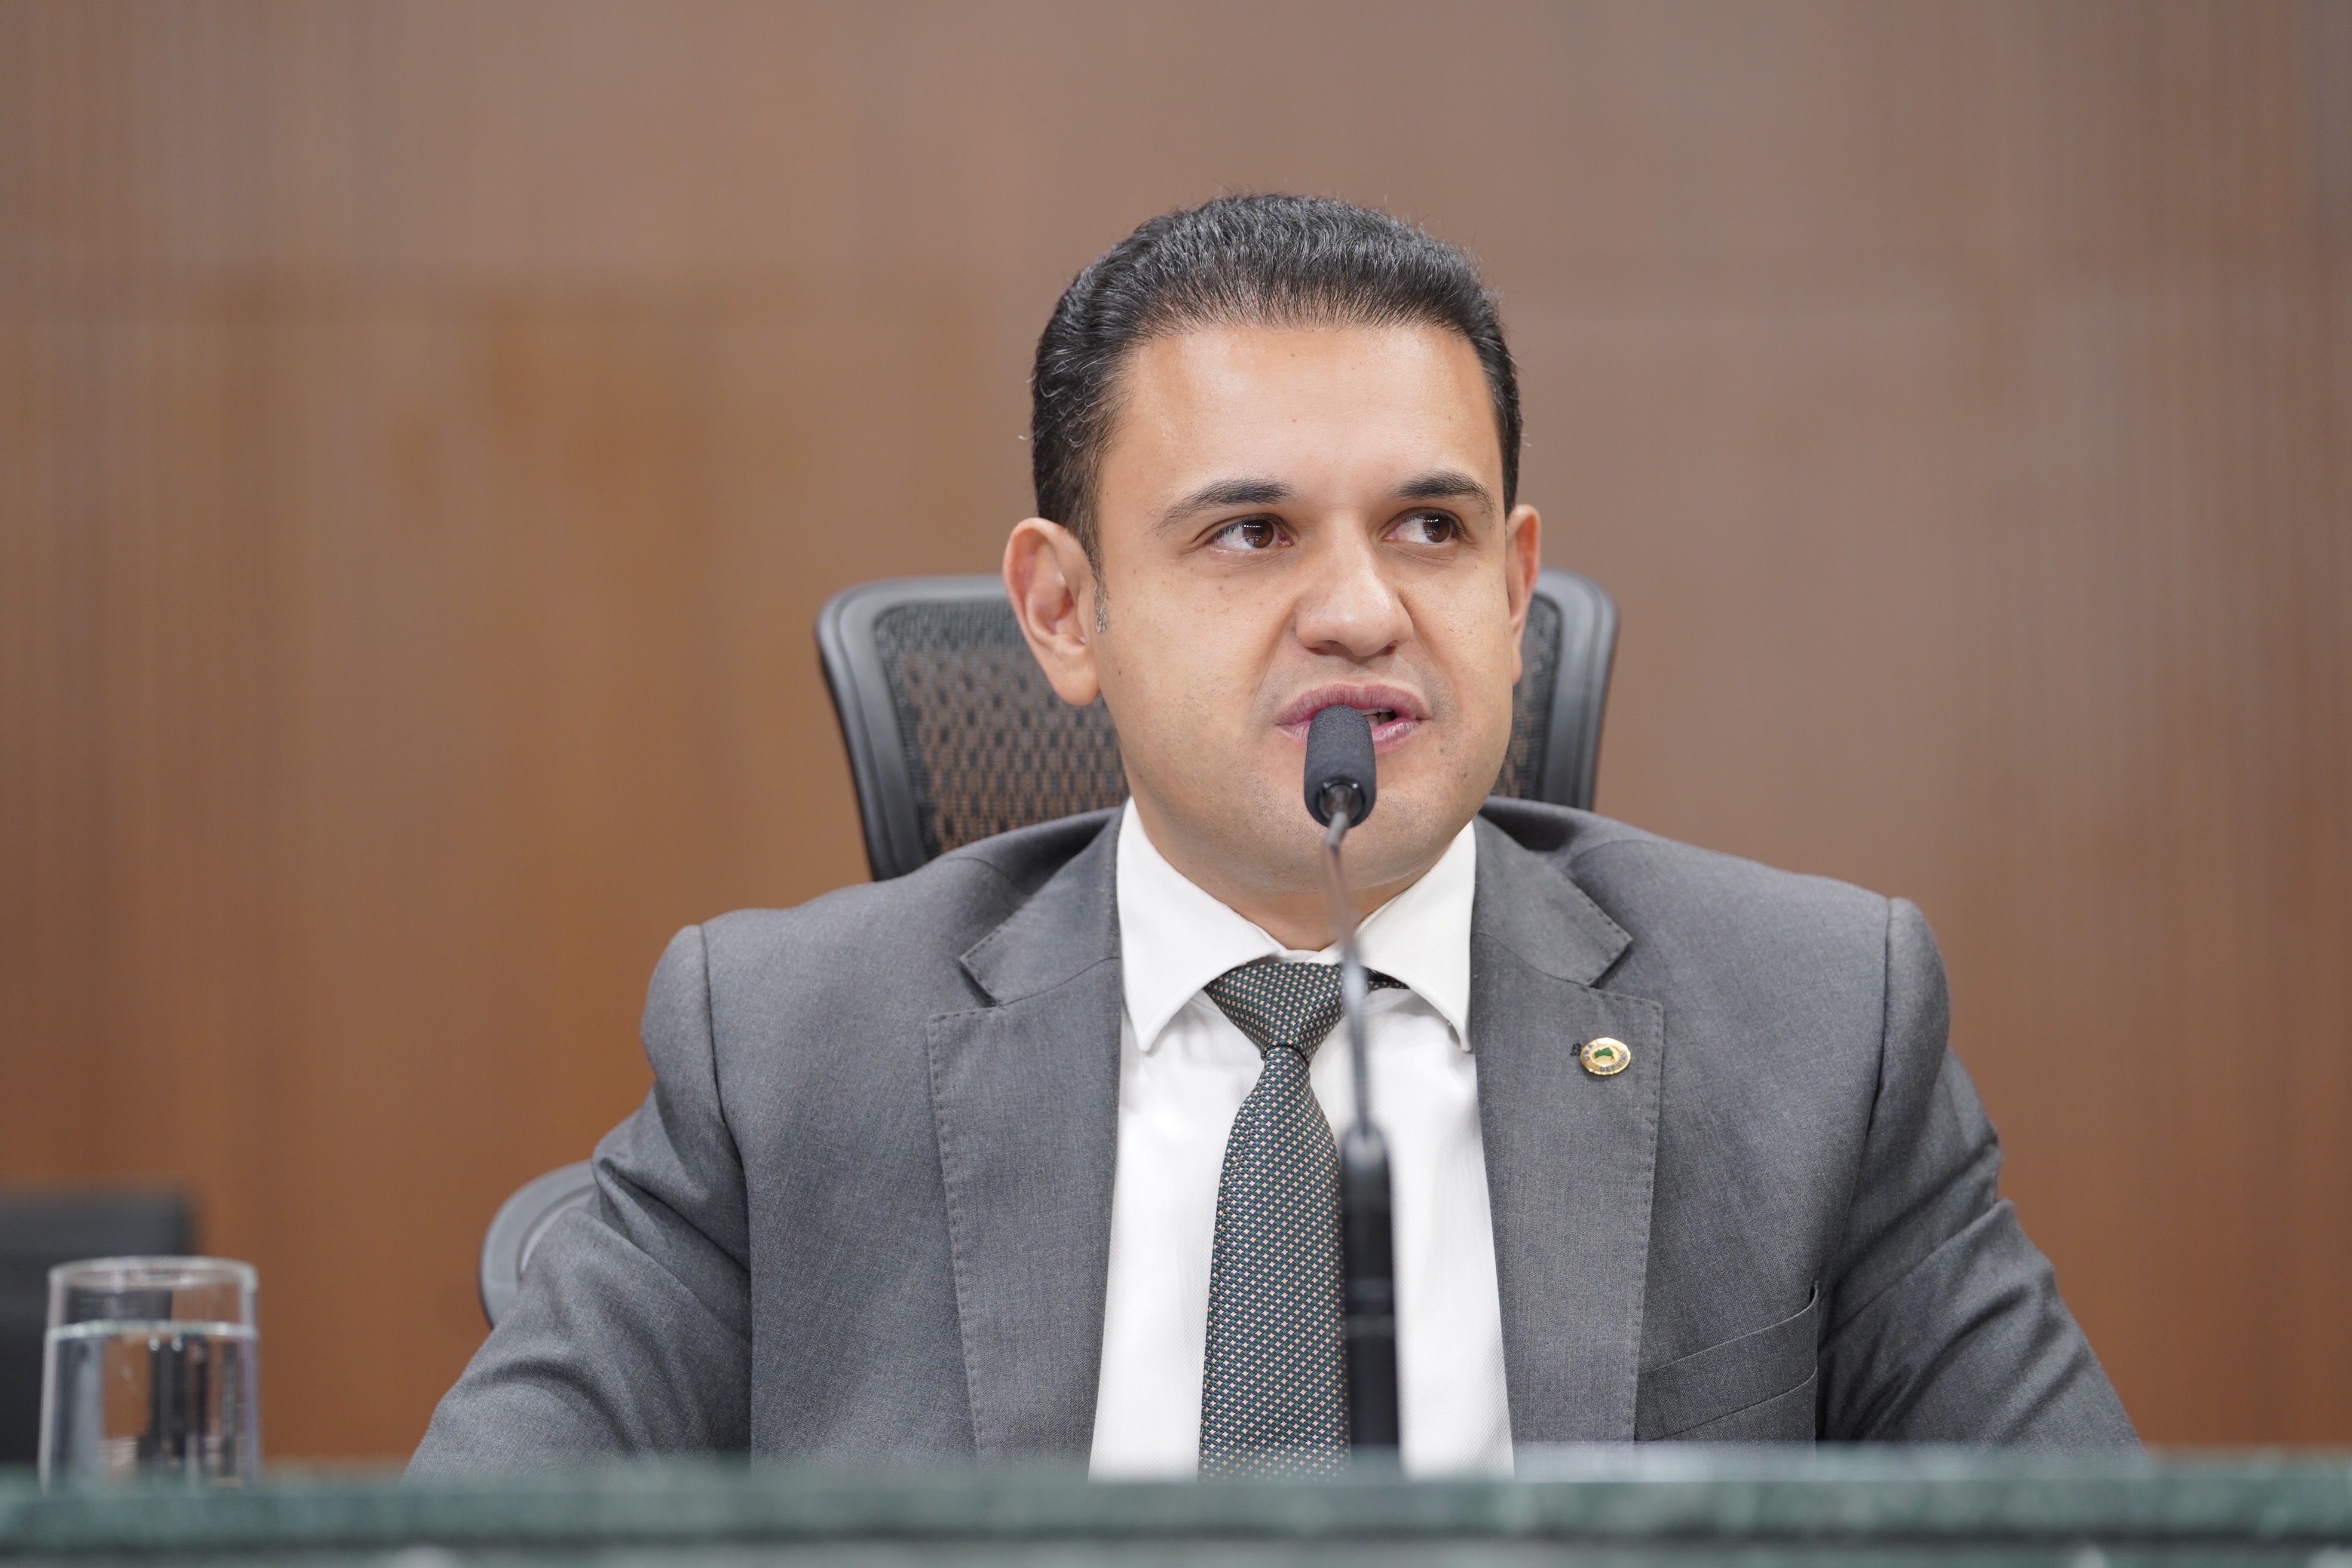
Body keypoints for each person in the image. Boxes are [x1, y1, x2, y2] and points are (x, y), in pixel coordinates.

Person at [412, 195, 2133, 1477]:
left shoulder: (1815, 1028)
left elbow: (2100, 1540)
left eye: (1432, 528)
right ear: (1065, 611)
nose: (1364, 611)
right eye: (1250, 535)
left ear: (1517, 590)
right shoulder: (786, 1053)